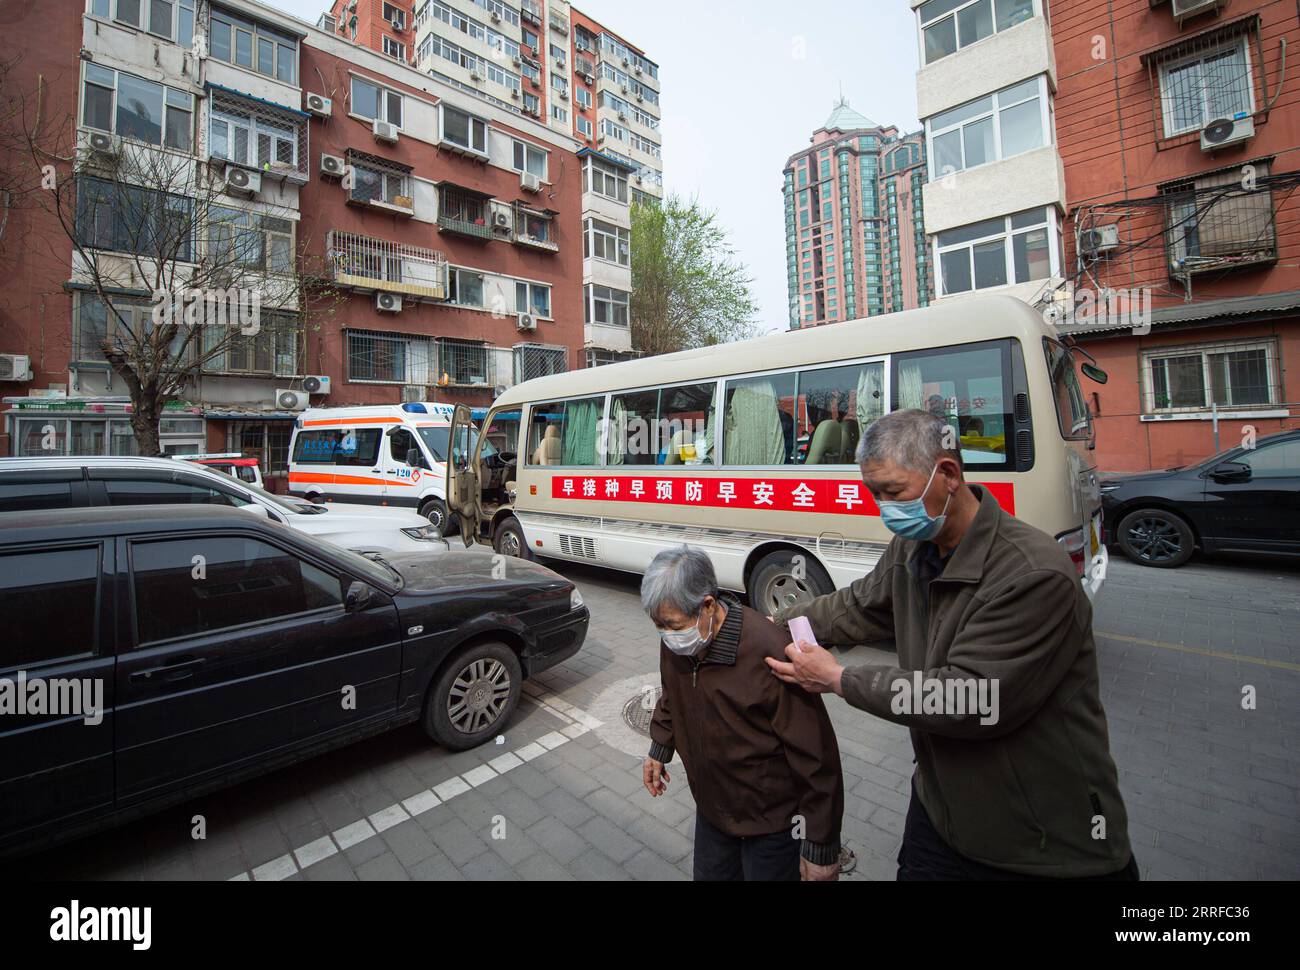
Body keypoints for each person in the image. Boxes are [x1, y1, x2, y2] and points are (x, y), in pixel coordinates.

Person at [766, 409, 1138, 881]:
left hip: (1040, 842)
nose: (884, 509)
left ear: (947, 474)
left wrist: (840, 679)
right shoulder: (914, 547)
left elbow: (968, 697)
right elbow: (858, 606)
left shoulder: (1031, 573)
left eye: (894, 492)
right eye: (874, 494)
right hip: (941, 812)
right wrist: (771, 625)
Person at [640, 546, 843, 881]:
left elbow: (816, 755)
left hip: (774, 825)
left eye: (672, 625)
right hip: (713, 813)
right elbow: (671, 693)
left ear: (707, 605)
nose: (667, 636)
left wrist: (820, 846)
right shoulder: (680, 639)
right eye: (659, 626)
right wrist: (660, 746)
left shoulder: (769, 652)